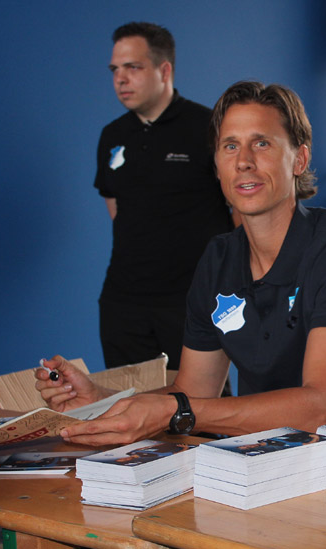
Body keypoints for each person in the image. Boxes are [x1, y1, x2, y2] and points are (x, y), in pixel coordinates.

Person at [35, 81, 326, 549]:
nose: (244, 162)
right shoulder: (218, 259)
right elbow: (193, 393)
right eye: (230, 146)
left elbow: (320, 406)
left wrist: (178, 408)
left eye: (262, 143)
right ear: (215, 165)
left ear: (299, 158)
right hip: (261, 470)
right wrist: (101, 396)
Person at [95, 22, 232, 370]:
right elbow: (116, 207)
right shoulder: (112, 134)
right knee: (129, 406)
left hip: (192, 299)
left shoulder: (208, 127)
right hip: (123, 300)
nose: (120, 79)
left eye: (133, 67)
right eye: (115, 69)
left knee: (201, 409)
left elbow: (240, 212)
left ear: (164, 69)